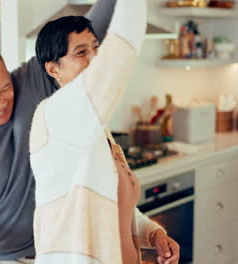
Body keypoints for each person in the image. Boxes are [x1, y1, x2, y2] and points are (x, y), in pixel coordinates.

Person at [0, 1, 117, 264]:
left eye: (4, 88)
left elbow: (89, 30)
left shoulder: (30, 80)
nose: (0, 102)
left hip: (53, 248)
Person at [29, 0, 180, 264]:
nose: (95, 59)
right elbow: (119, 55)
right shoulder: (54, 115)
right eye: (80, 53)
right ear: (53, 68)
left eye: (96, 49)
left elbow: (113, 207)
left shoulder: (93, 126)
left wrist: (153, 234)